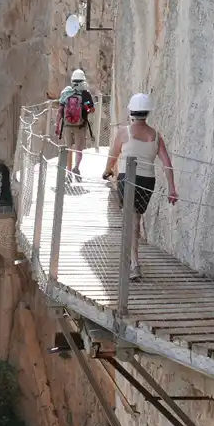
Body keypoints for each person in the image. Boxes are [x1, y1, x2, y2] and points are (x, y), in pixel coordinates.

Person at [102, 92, 177, 280]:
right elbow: (167, 164)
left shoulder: (123, 132)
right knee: (135, 219)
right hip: (146, 181)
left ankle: (133, 262)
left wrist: (107, 171)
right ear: (147, 112)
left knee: (129, 219)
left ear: (131, 111)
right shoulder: (156, 136)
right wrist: (172, 189)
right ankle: (133, 262)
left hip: (127, 178)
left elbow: (112, 156)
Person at [55, 69, 96, 179]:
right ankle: (76, 168)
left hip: (67, 126)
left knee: (68, 149)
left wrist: (57, 126)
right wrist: (86, 108)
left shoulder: (66, 92)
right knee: (78, 149)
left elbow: (60, 110)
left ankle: (68, 173)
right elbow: (91, 110)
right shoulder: (85, 94)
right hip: (80, 126)